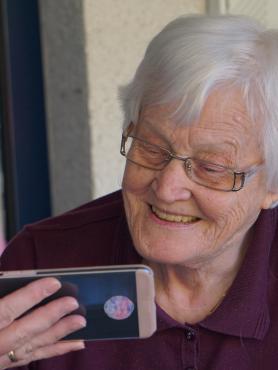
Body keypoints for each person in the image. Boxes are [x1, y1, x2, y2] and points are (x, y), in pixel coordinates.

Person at [1, 13, 278, 370]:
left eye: (212, 168)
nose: (166, 188)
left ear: (271, 186)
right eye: (151, 148)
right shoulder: (45, 261)